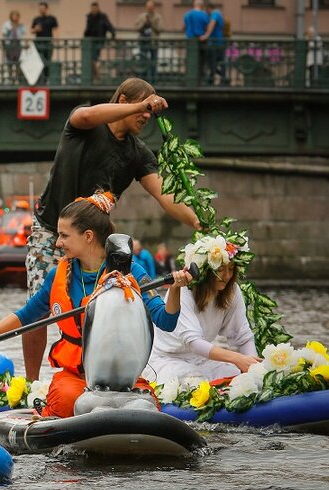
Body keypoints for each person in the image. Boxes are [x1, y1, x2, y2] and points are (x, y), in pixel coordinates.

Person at [23, 77, 201, 381]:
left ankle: (92, 378)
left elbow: (164, 195)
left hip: (93, 242)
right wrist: (144, 102)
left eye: (149, 109)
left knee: (100, 311)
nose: (146, 115)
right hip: (51, 231)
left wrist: (199, 222)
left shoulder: (138, 153)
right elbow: (87, 115)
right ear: (122, 102)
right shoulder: (85, 125)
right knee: (36, 313)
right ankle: (31, 385)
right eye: (141, 107)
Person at [0, 192, 193, 418]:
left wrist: (175, 289)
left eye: (64, 235)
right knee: (66, 401)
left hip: (122, 379)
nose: (58, 243)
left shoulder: (129, 273)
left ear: (88, 236)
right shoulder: (58, 276)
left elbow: (166, 321)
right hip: (76, 376)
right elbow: (26, 316)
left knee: (145, 405)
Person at [144, 234, 260, 384]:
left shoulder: (232, 291)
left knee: (235, 373)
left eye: (231, 269)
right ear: (206, 272)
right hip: (166, 359)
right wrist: (237, 358)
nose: (227, 276)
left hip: (201, 359)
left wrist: (254, 369)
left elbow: (243, 336)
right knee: (195, 381)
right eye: (220, 270)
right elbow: (194, 342)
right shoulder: (184, 291)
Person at [83, 2, 115, 80]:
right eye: (92, 8)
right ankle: (96, 75)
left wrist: (113, 35)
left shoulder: (102, 17)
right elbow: (87, 29)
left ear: (98, 8)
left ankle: (96, 76)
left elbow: (109, 26)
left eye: (94, 8)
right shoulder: (89, 17)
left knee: (94, 58)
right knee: (91, 59)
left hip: (98, 41)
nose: (93, 10)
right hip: (90, 42)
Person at [134, 0, 162, 83]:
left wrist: (152, 23)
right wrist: (143, 23)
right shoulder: (142, 16)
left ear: (154, 7)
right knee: (143, 62)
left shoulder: (158, 17)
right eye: (148, 7)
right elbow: (136, 27)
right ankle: (143, 80)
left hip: (153, 42)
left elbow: (160, 29)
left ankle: (153, 81)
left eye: (151, 7)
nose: (149, 9)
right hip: (143, 41)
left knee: (153, 61)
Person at [200, 2, 227, 86]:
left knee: (212, 62)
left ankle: (211, 80)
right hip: (219, 43)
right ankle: (222, 79)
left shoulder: (215, 13)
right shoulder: (218, 13)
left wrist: (206, 35)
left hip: (215, 44)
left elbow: (212, 23)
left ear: (208, 8)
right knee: (219, 62)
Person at [31, 2, 58, 84]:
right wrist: (36, 29)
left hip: (48, 43)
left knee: (47, 61)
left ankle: (46, 79)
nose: (41, 10)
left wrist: (55, 40)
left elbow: (56, 29)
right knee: (38, 61)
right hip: (38, 43)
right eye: (40, 8)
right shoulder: (36, 19)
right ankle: (39, 79)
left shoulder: (51, 19)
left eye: (43, 8)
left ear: (46, 9)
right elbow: (31, 30)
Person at [183, 0, 209, 83]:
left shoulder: (187, 14)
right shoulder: (203, 14)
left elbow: (185, 26)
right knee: (201, 61)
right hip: (200, 40)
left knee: (189, 60)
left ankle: (189, 79)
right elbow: (206, 26)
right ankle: (200, 80)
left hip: (190, 40)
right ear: (201, 5)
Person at [2, 10, 25, 84]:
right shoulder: (7, 24)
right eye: (13, 15)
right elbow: (4, 33)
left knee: (18, 62)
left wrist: (17, 27)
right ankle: (10, 78)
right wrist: (10, 28)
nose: (14, 17)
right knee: (10, 62)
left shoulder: (21, 25)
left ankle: (18, 79)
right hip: (9, 44)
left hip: (17, 45)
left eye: (16, 16)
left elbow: (23, 33)